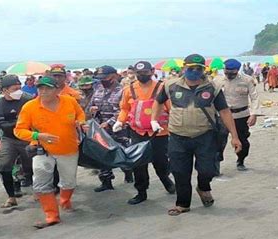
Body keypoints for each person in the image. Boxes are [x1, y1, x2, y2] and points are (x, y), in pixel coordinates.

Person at [150, 54, 242, 216]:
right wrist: (154, 120)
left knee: (207, 170)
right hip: (178, 136)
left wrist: (234, 136)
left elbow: (224, 111)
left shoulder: (212, 88)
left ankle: (203, 187)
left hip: (204, 135)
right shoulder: (170, 85)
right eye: (190, 68)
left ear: (203, 70)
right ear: (183, 68)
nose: (194, 71)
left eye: (198, 69)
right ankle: (183, 204)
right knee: (179, 172)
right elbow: (158, 101)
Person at [14, 76, 87, 229]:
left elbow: (80, 114)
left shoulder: (69, 101)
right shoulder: (29, 107)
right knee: (41, 183)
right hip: (42, 150)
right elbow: (19, 130)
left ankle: (65, 201)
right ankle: (51, 215)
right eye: (40, 88)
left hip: (68, 148)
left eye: (48, 88)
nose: (44, 91)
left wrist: (80, 122)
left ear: (57, 89)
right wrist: (37, 136)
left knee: (69, 182)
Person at [113, 61, 175, 204]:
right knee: (138, 164)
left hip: (159, 132)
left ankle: (166, 181)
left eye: (145, 73)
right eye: (139, 73)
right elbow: (125, 108)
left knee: (160, 162)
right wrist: (120, 122)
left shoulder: (161, 88)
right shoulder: (129, 89)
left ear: (152, 71)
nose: (142, 76)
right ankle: (141, 192)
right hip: (137, 132)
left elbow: (171, 109)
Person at [87, 65, 134, 193]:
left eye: (105, 77)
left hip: (119, 129)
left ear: (114, 76)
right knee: (102, 155)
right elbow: (90, 106)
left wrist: (109, 122)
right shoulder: (98, 89)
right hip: (100, 129)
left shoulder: (123, 91)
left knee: (122, 154)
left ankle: (128, 173)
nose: (103, 80)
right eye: (100, 78)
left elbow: (124, 110)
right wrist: (92, 110)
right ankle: (106, 181)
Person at [0, 75, 33, 208]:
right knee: (2, 165)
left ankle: (38, 192)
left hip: (27, 137)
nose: (19, 91)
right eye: (15, 89)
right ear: (4, 90)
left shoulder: (28, 100)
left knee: (33, 166)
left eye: (20, 88)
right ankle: (11, 196)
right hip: (9, 138)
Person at [214, 59, 260, 171]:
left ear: (237, 70)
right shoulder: (217, 80)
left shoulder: (247, 80)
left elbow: (254, 97)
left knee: (243, 141)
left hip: (241, 115)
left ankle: (241, 161)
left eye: (232, 71)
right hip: (222, 116)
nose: (229, 74)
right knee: (218, 141)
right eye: (227, 71)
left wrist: (254, 114)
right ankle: (216, 166)